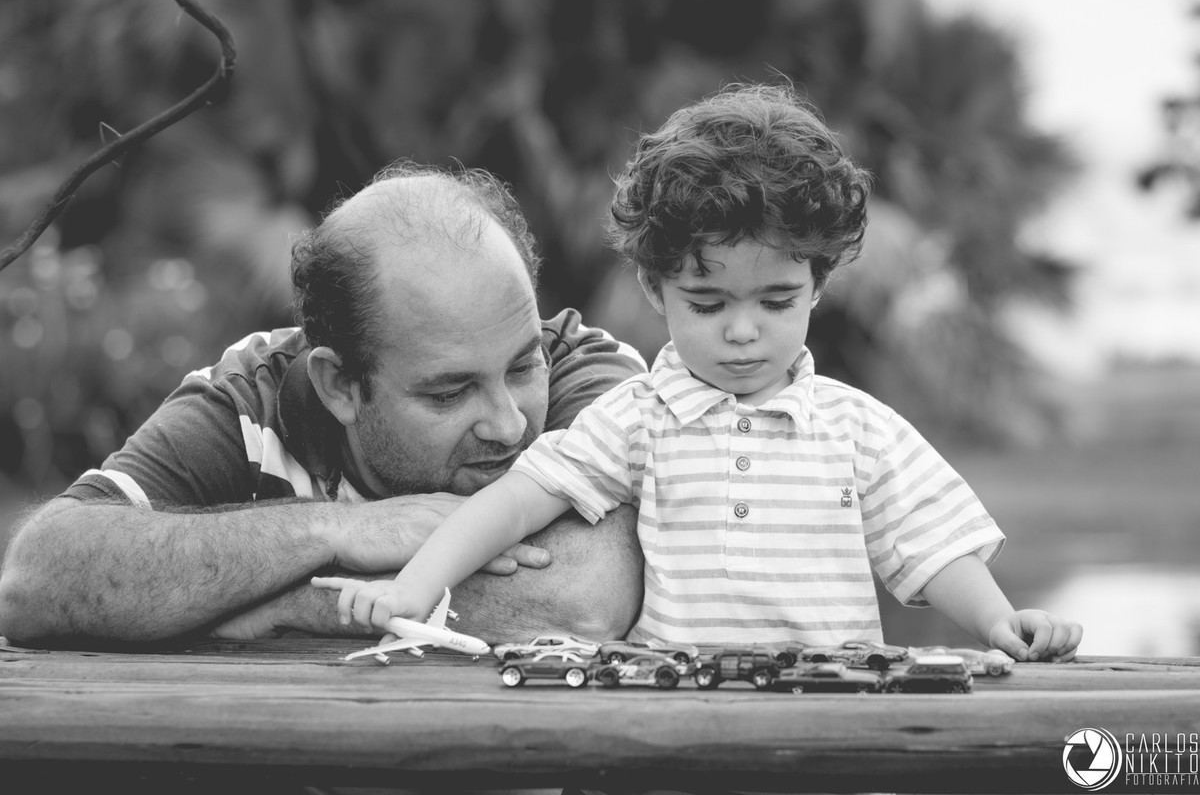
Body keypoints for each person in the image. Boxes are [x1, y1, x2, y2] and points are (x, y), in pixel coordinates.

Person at [313, 84, 1083, 664]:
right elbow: (514, 504)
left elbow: (930, 545)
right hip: (672, 722)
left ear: (817, 284)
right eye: (708, 302)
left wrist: (996, 622)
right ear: (655, 288)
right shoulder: (638, 419)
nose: (743, 332)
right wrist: (414, 588)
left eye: (776, 300)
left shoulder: (856, 429)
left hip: (834, 718)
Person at [0, 161, 648, 647]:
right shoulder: (252, 397)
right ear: (339, 385)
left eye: (522, 365)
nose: (508, 422)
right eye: (450, 391)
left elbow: (577, 605)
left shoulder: (592, 377)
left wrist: (283, 608)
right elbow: (37, 582)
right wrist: (335, 529)